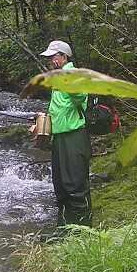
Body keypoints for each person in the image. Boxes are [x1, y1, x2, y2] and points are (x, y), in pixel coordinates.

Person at [39, 39, 92, 229]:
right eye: (49, 58)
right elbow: (60, 108)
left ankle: (82, 232)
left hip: (74, 137)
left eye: (53, 57)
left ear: (63, 57)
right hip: (60, 137)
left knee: (75, 186)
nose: (50, 61)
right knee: (60, 186)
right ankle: (64, 229)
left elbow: (80, 95)